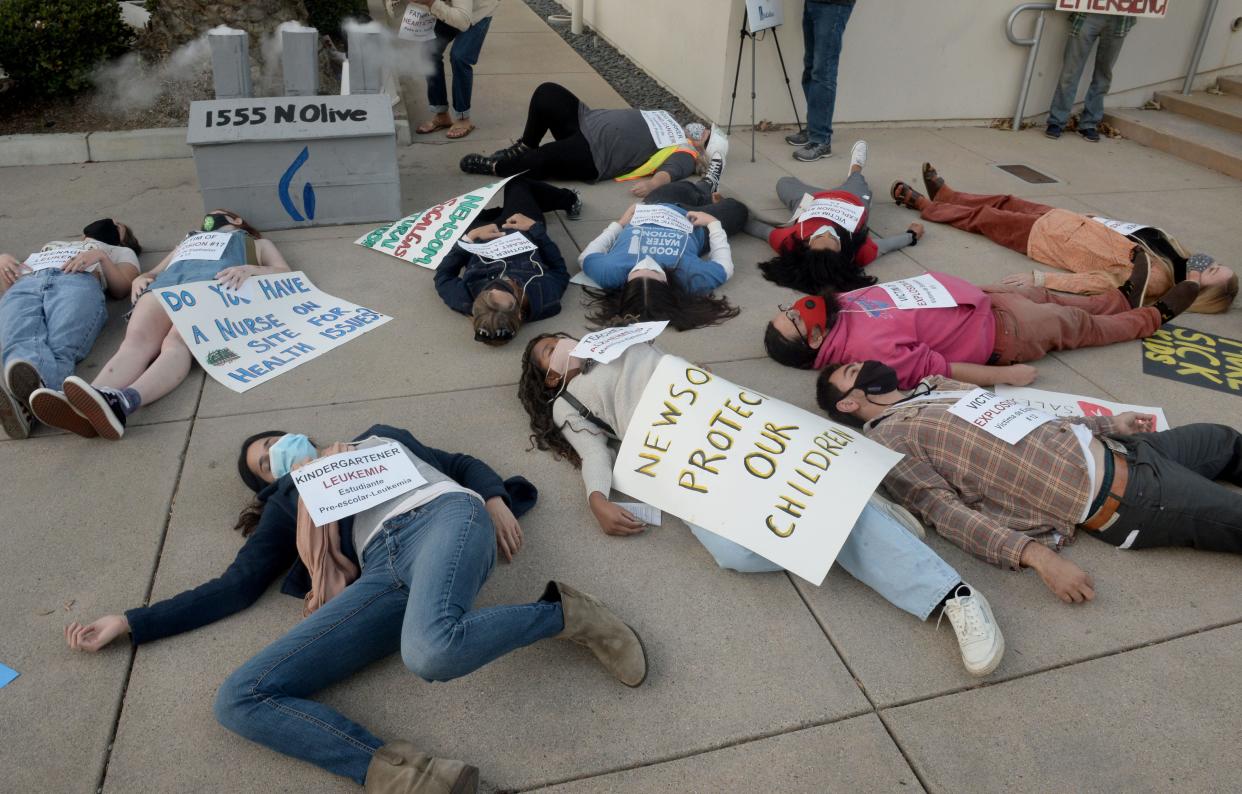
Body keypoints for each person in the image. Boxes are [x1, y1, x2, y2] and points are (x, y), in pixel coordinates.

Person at [64, 424, 647, 791]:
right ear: (269, 485)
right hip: (378, 574)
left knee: (430, 651)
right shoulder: (290, 507)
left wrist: (492, 498)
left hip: (442, 515)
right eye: (265, 465)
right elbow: (234, 586)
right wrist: (131, 622)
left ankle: (564, 614)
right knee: (238, 698)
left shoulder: (375, 437)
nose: (276, 456)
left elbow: (460, 461)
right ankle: (403, 774)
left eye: (272, 443)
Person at [516, 333, 1007, 676]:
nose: (560, 345)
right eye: (548, 352)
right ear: (548, 377)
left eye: (560, 337)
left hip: (732, 426)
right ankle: (858, 510)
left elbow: (679, 371)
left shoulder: (622, 339)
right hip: (681, 465)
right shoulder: (568, 403)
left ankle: (953, 596)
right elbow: (593, 453)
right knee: (736, 554)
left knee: (807, 504)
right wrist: (596, 498)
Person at [819, 361, 1242, 605]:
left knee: (1223, 441)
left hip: (1131, 449)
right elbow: (944, 513)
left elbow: (1028, 420)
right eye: (854, 370)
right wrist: (1039, 558)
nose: (868, 365)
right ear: (849, 401)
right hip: (1131, 498)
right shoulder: (889, 440)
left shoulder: (937, 388)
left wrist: (1108, 423)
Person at [28, 210, 291, 441]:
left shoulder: (256, 243)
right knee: (134, 344)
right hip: (165, 289)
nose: (209, 216)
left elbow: (285, 271)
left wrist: (252, 270)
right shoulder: (188, 241)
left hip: (212, 288)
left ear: (236, 220)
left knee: (176, 343)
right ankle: (88, 400)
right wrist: (140, 279)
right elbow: (154, 271)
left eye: (218, 212)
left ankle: (122, 401)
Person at [894, 164, 1238, 314]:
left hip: (1049, 238)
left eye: (1211, 272)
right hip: (1069, 221)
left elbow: (1099, 282)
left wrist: (1040, 278)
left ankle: (925, 206)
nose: (1210, 263)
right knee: (1004, 202)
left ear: (1197, 290)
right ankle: (947, 195)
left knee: (985, 219)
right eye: (1219, 265)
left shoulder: (1159, 278)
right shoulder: (1178, 253)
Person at [762, 269, 1199, 378]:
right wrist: (1006, 375)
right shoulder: (865, 357)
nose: (792, 310)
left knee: (1057, 297)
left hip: (984, 300)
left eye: (783, 311)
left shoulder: (837, 307)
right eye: (794, 323)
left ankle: (1122, 297)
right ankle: (1154, 316)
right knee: (1078, 324)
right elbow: (942, 370)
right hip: (1004, 334)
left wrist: (984, 289)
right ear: (815, 343)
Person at [0, 219, 141, 439]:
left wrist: (101, 257)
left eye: (119, 225)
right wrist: (4, 263)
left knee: (60, 344)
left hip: (77, 282)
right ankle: (39, 400)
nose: (112, 222)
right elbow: (7, 284)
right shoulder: (55, 243)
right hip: (27, 283)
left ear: (124, 237)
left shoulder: (121, 251)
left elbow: (123, 287)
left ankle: (25, 406)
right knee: (17, 336)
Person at [459, 82, 728, 186]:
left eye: (705, 136)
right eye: (706, 128)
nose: (701, 129)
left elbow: (669, 174)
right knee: (547, 93)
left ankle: (496, 167)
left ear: (703, 151)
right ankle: (525, 146)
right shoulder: (672, 121)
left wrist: (651, 185)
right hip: (584, 120)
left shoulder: (685, 154)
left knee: (544, 159)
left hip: (594, 155)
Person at [747, 141, 923, 293]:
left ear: (806, 247)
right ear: (842, 251)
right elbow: (886, 245)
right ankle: (856, 167)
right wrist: (911, 236)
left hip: (809, 200)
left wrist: (732, 215)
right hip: (850, 199)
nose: (827, 231)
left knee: (783, 183)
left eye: (818, 237)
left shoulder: (789, 242)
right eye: (833, 238)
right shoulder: (858, 252)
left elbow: (760, 230)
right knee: (858, 179)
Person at [579, 175, 748, 331]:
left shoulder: (610, 273)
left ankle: (707, 186)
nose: (647, 262)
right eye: (654, 271)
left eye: (636, 271)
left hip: (655, 205)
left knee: (685, 188)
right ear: (669, 286)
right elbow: (725, 267)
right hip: (698, 225)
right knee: (739, 209)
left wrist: (621, 223)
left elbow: (586, 256)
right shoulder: (689, 278)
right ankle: (708, 197)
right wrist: (712, 223)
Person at [434, 177, 579, 344]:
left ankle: (501, 211)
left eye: (487, 292)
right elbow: (559, 271)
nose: (497, 284)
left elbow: (443, 276)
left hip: (481, 233)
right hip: (520, 227)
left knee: (459, 212)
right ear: (519, 313)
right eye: (508, 289)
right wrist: (535, 228)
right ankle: (571, 200)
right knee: (517, 183)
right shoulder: (543, 299)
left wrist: (470, 237)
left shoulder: (464, 299)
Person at [411, 0, 499, 140]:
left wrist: (431, 3)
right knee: (429, 51)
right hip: (451, 6)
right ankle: (441, 115)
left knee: (460, 57)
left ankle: (463, 118)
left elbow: (463, 21)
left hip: (477, 11)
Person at [1045, 12, 1135, 142]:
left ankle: (1089, 123)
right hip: (1088, 13)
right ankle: (1057, 121)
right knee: (1070, 71)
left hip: (1119, 18)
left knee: (1103, 74)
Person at [785, 0, 854, 162]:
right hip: (813, 3)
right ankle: (813, 129)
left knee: (823, 72)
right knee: (810, 68)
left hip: (833, 6)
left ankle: (821, 140)